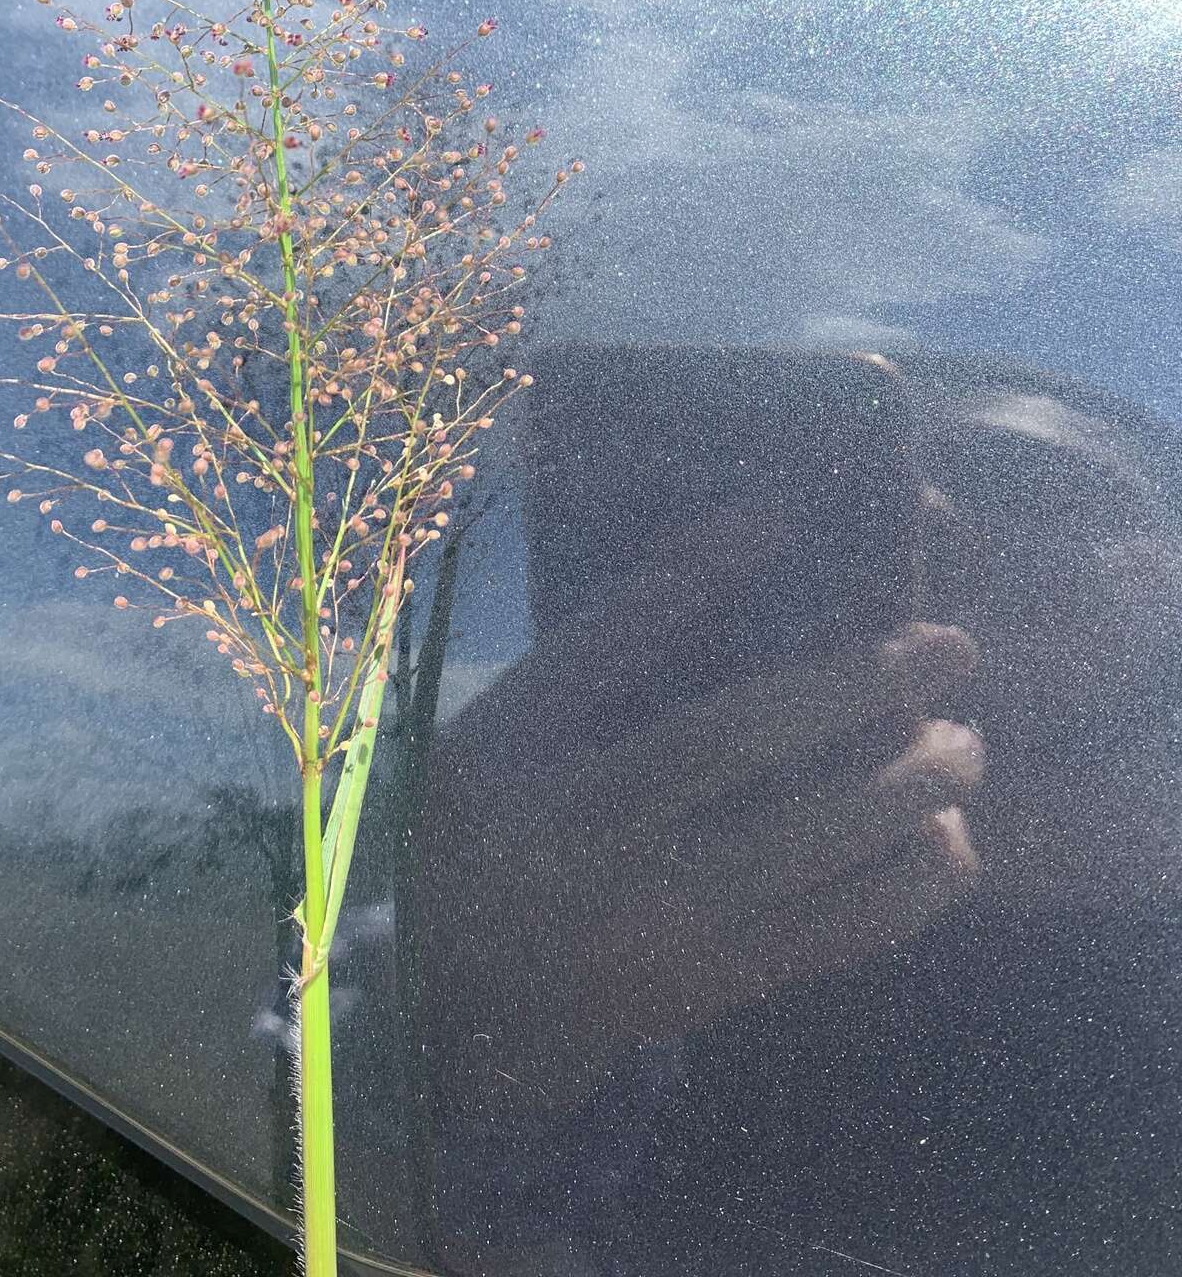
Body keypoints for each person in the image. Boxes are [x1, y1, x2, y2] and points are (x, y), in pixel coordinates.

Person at [408, 346, 1182, 1275]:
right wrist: (479, 1046)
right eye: (863, 506)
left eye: (1037, 492)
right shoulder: (620, 912)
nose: (937, 527)